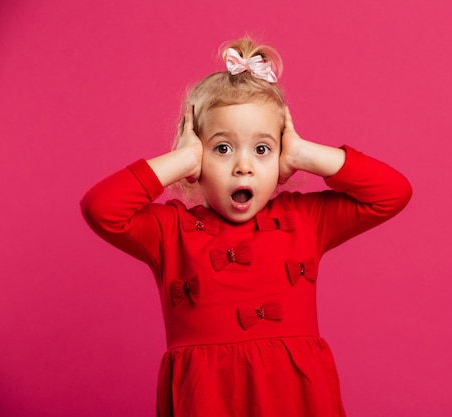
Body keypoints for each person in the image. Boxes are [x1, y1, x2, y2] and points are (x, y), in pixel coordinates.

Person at [81, 37, 412, 417]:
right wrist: (182, 157)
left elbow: (392, 192)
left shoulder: (305, 221)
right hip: (206, 399)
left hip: (296, 398)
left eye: (262, 149)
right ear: (196, 159)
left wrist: (303, 153)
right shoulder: (168, 231)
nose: (244, 166)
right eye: (222, 149)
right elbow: (100, 207)